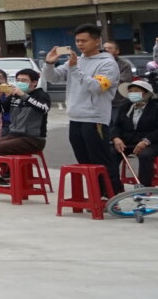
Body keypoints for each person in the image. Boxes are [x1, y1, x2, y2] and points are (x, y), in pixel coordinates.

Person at [48, 25, 122, 195]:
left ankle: (111, 194)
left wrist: (74, 69)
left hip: (95, 118)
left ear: (97, 41)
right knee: (84, 161)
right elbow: (52, 77)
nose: (80, 44)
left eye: (84, 40)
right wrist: (49, 64)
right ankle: (96, 194)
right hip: (75, 117)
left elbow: (96, 87)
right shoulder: (76, 60)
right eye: (77, 41)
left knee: (100, 160)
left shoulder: (108, 64)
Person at [0, 69, 52, 182]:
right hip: (14, 135)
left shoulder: (41, 95)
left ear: (34, 82)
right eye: (18, 80)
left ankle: (11, 175)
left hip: (33, 138)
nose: (19, 83)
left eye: (24, 80)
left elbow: (43, 108)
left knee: (0, 147)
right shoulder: (15, 96)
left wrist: (23, 95)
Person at [110, 78, 158, 189]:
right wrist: (116, 138)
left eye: (136, 91)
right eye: (131, 91)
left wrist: (145, 141)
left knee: (145, 155)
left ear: (146, 94)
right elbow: (115, 125)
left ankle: (144, 187)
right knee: (110, 153)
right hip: (127, 142)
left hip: (151, 143)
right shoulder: (124, 107)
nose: (132, 94)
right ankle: (114, 187)